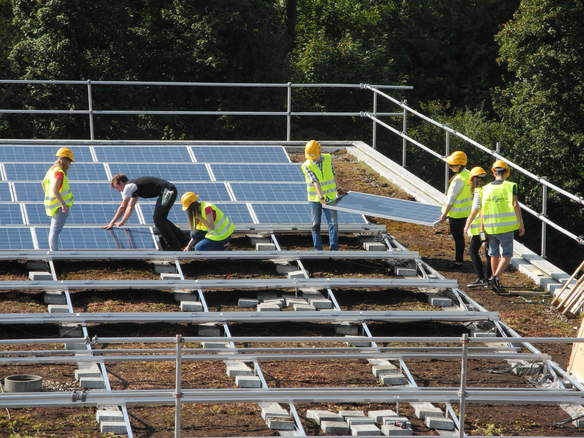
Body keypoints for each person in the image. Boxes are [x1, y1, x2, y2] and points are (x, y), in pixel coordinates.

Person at [471, 160, 525, 293]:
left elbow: (482, 210)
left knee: (493, 254)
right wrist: (521, 224)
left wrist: (482, 229)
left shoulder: (485, 188)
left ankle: (494, 281)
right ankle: (495, 277)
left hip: (490, 228)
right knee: (507, 254)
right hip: (506, 228)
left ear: (494, 173)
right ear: (506, 173)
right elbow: (515, 205)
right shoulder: (510, 186)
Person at [103, 174, 186, 250]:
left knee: (158, 219)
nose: (118, 190)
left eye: (117, 187)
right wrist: (122, 222)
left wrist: (111, 223)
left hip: (168, 191)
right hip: (167, 191)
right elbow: (130, 206)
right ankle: (183, 239)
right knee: (160, 219)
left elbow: (122, 207)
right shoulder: (133, 188)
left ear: (121, 183)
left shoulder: (128, 187)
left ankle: (174, 246)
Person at [300, 140, 339, 251]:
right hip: (315, 199)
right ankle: (318, 249)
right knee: (316, 224)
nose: (312, 158)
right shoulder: (306, 165)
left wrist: (338, 188)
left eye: (314, 155)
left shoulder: (328, 158)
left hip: (330, 197)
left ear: (319, 152)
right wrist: (321, 197)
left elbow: (333, 173)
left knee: (333, 223)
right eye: (310, 156)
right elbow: (315, 181)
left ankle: (334, 250)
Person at [436, 150, 472, 267]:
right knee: (460, 236)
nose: (450, 167)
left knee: (458, 237)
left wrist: (444, 214)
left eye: (452, 165)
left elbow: (451, 199)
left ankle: (458, 261)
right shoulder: (469, 174)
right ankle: (459, 259)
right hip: (465, 212)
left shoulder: (458, 180)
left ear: (460, 164)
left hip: (456, 214)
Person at [463, 167, 492, 288]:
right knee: (489, 252)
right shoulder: (489, 189)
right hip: (491, 225)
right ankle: (489, 279)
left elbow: (475, 209)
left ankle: (481, 278)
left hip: (480, 229)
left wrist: (467, 224)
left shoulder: (478, 191)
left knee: (473, 251)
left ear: (474, 179)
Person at [42, 147, 75, 251]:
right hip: (60, 205)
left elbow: (43, 183)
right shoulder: (59, 172)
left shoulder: (51, 170)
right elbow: (55, 189)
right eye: (69, 161)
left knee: (54, 230)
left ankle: (54, 252)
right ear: (64, 160)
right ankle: (54, 253)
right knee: (55, 230)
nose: (70, 164)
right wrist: (63, 204)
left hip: (54, 204)